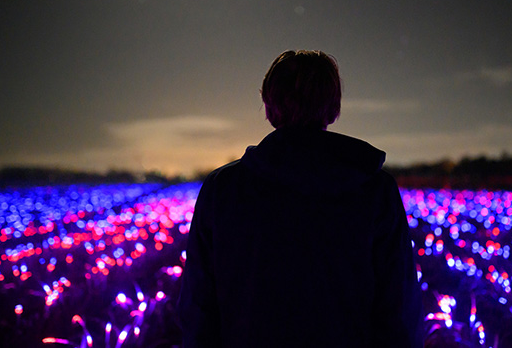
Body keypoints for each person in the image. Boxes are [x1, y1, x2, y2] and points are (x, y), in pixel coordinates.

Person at [178, 50, 422, 347]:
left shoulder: (223, 189)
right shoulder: (374, 190)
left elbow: (199, 306)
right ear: (333, 109)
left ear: (269, 106)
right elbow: (398, 307)